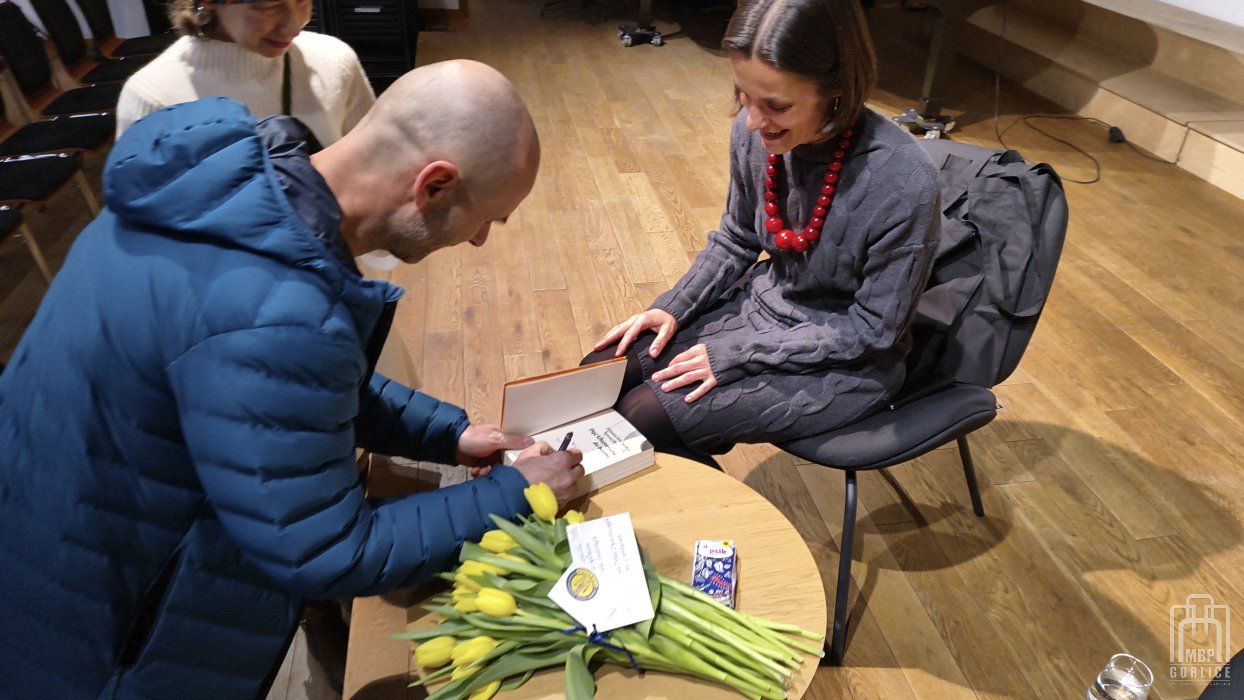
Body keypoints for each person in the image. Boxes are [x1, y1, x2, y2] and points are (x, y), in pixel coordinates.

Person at [0, 60, 583, 699]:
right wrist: (514, 490)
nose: (479, 243)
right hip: (101, 641)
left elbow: (287, 397)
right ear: (434, 185)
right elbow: (325, 549)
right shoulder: (276, 309)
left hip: (40, 546)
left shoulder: (213, 198)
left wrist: (451, 434)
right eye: (490, 220)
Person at [584, 0, 941, 459]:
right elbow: (737, 237)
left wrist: (737, 353)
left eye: (776, 105)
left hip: (849, 362)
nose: (752, 122)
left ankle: (698, 528)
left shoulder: (903, 181)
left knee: (645, 416)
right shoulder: (755, 132)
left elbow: (873, 330)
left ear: (837, 88)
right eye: (743, 96)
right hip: (763, 312)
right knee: (596, 373)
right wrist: (674, 307)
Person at [115, 0, 375, 148]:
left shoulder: (333, 59)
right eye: (269, 5)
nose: (294, 26)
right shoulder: (152, 99)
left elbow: (371, 166)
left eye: (302, 1)